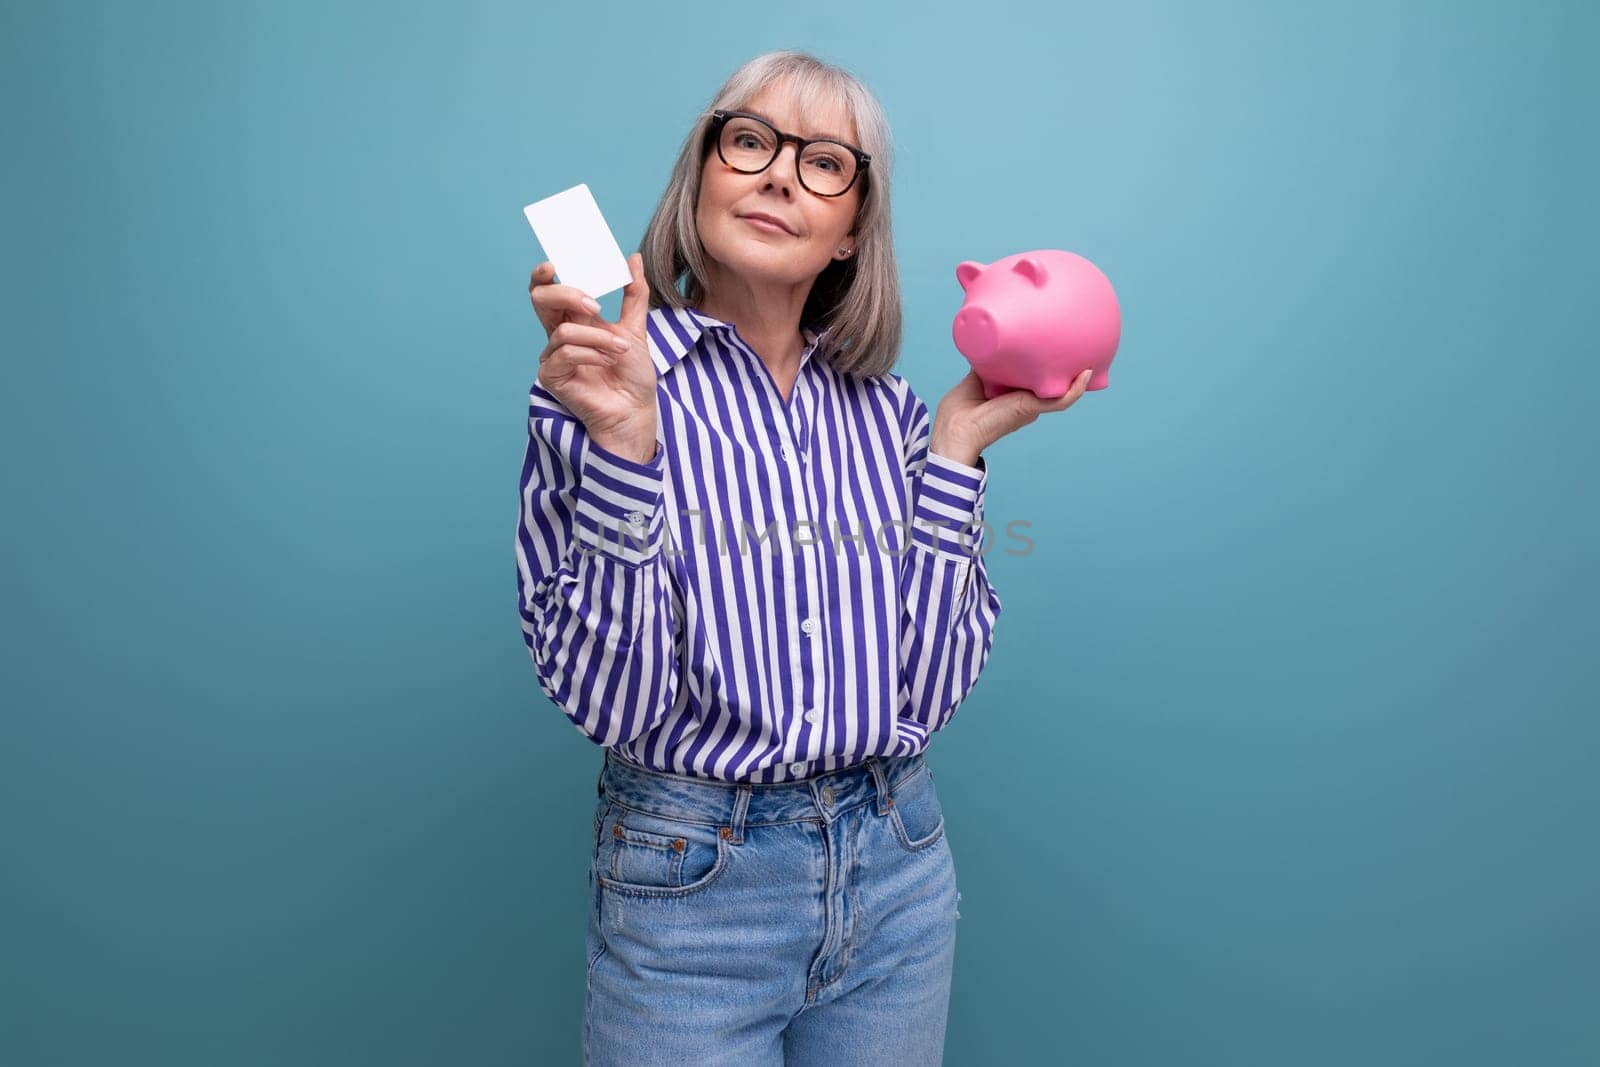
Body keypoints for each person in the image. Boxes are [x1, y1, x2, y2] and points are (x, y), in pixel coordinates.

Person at [516, 49, 1091, 1066]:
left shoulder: (892, 416)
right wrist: (626, 451)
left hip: (898, 866)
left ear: (852, 229)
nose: (779, 173)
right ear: (700, 177)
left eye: (826, 162)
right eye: (749, 142)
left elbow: (923, 692)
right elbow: (616, 704)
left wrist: (954, 448)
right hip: (691, 889)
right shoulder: (601, 385)